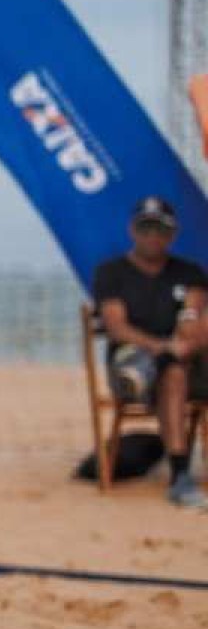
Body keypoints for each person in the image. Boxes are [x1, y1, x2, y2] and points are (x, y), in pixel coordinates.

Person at [90, 195, 208, 508]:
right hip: (133, 361)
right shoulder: (111, 272)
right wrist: (161, 348)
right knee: (169, 369)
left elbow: (193, 317)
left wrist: (179, 343)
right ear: (132, 230)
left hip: (186, 361)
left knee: (187, 350)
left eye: (160, 228)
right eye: (146, 227)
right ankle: (181, 473)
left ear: (173, 233)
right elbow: (116, 327)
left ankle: (181, 474)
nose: (153, 235)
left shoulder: (189, 273)